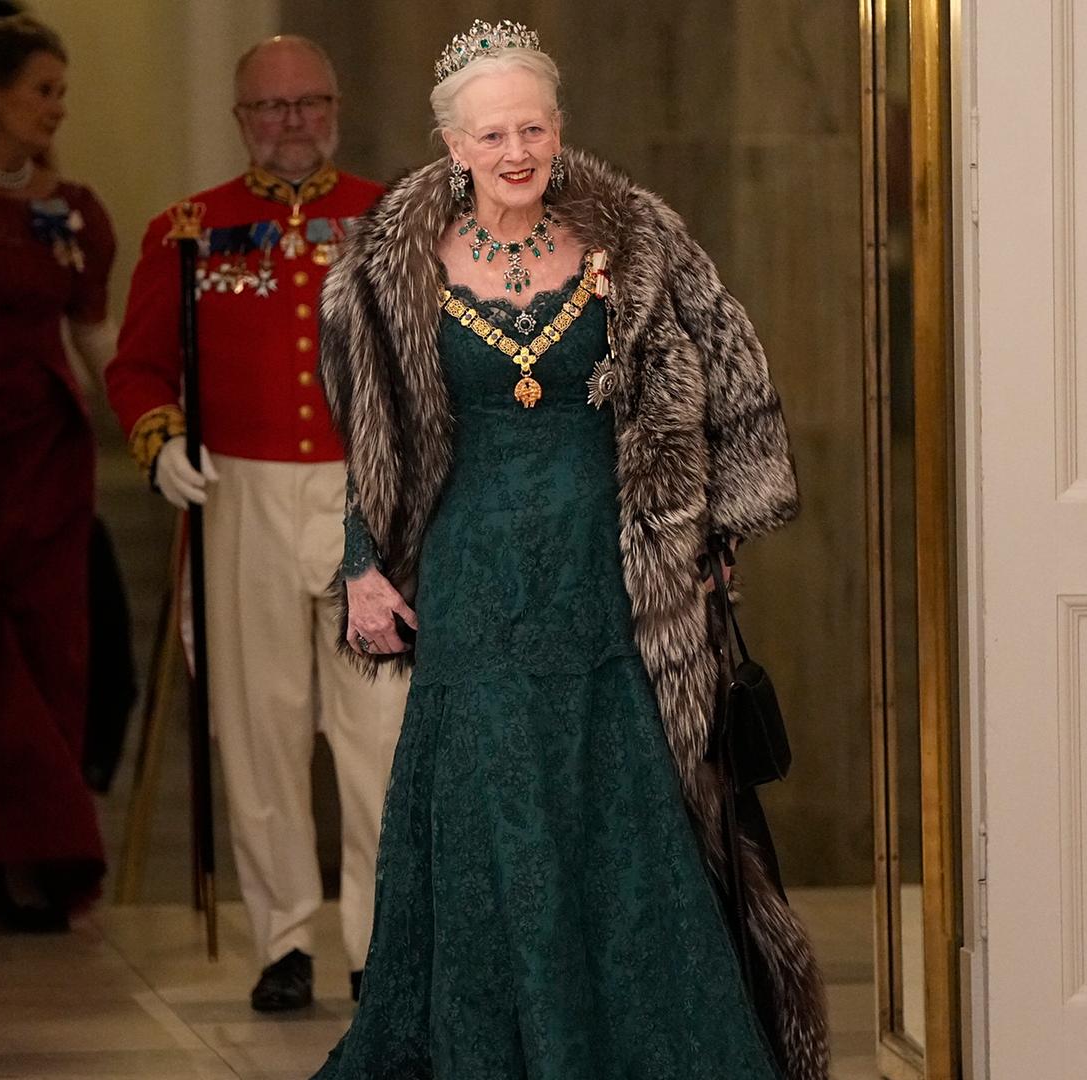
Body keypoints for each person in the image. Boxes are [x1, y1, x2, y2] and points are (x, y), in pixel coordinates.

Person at [313, 20, 826, 1079]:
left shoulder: (635, 241)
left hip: (611, 579)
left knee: (621, 820)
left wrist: (712, 522)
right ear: (452, 145)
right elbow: (378, 433)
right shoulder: (387, 267)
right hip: (475, 581)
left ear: (559, 130)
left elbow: (722, 379)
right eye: (492, 133)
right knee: (497, 812)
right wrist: (365, 565)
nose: (516, 151)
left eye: (533, 127)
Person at [106, 34, 408, 1011]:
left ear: (336, 105)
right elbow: (139, 367)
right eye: (271, 108)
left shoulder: (390, 220)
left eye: (310, 103)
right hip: (240, 499)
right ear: (241, 119)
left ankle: (381, 945)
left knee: (381, 736)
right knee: (260, 730)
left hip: (371, 499)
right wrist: (162, 440)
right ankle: (283, 941)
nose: (293, 124)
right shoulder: (187, 229)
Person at [0, 14, 118, 931]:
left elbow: (92, 332)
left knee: (50, 649)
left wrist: (150, 426)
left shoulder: (75, 209)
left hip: (48, 456)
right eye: (43, 89)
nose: (59, 107)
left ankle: (38, 863)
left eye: (62, 91)